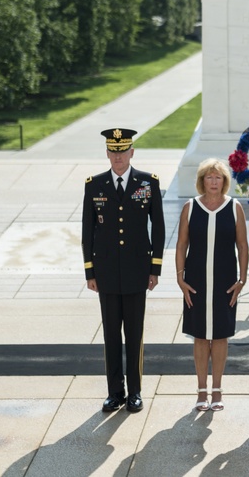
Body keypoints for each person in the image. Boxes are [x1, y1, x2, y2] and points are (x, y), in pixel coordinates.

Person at [82, 127, 165, 414]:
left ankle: (135, 392)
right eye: (113, 152)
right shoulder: (95, 185)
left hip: (136, 271)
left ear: (132, 152)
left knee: (135, 334)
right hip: (105, 273)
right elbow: (87, 231)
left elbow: (160, 228)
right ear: (107, 153)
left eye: (123, 151)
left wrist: (155, 267)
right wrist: (89, 272)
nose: (118, 157)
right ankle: (115, 392)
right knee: (111, 336)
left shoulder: (147, 182)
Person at [174, 158, 249, 412]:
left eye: (218, 177)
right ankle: (201, 390)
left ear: (224, 181)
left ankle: (217, 389)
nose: (214, 182)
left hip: (225, 282)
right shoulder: (190, 207)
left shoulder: (235, 207)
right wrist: (180, 276)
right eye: (209, 177)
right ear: (202, 181)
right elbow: (182, 244)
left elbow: (242, 245)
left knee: (219, 335)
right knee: (199, 336)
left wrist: (242, 279)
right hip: (196, 281)